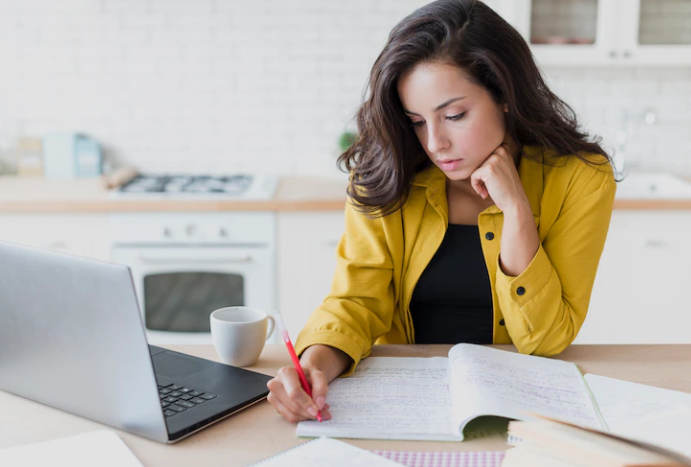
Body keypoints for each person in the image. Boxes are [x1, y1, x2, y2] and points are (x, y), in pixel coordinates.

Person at [267, 0, 616, 423]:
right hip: (404, 402)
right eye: (416, 121)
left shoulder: (580, 178)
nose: (434, 144)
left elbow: (546, 340)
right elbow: (357, 302)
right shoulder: (388, 176)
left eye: (454, 115)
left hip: (522, 407)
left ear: (505, 96)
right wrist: (314, 368)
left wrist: (517, 211)